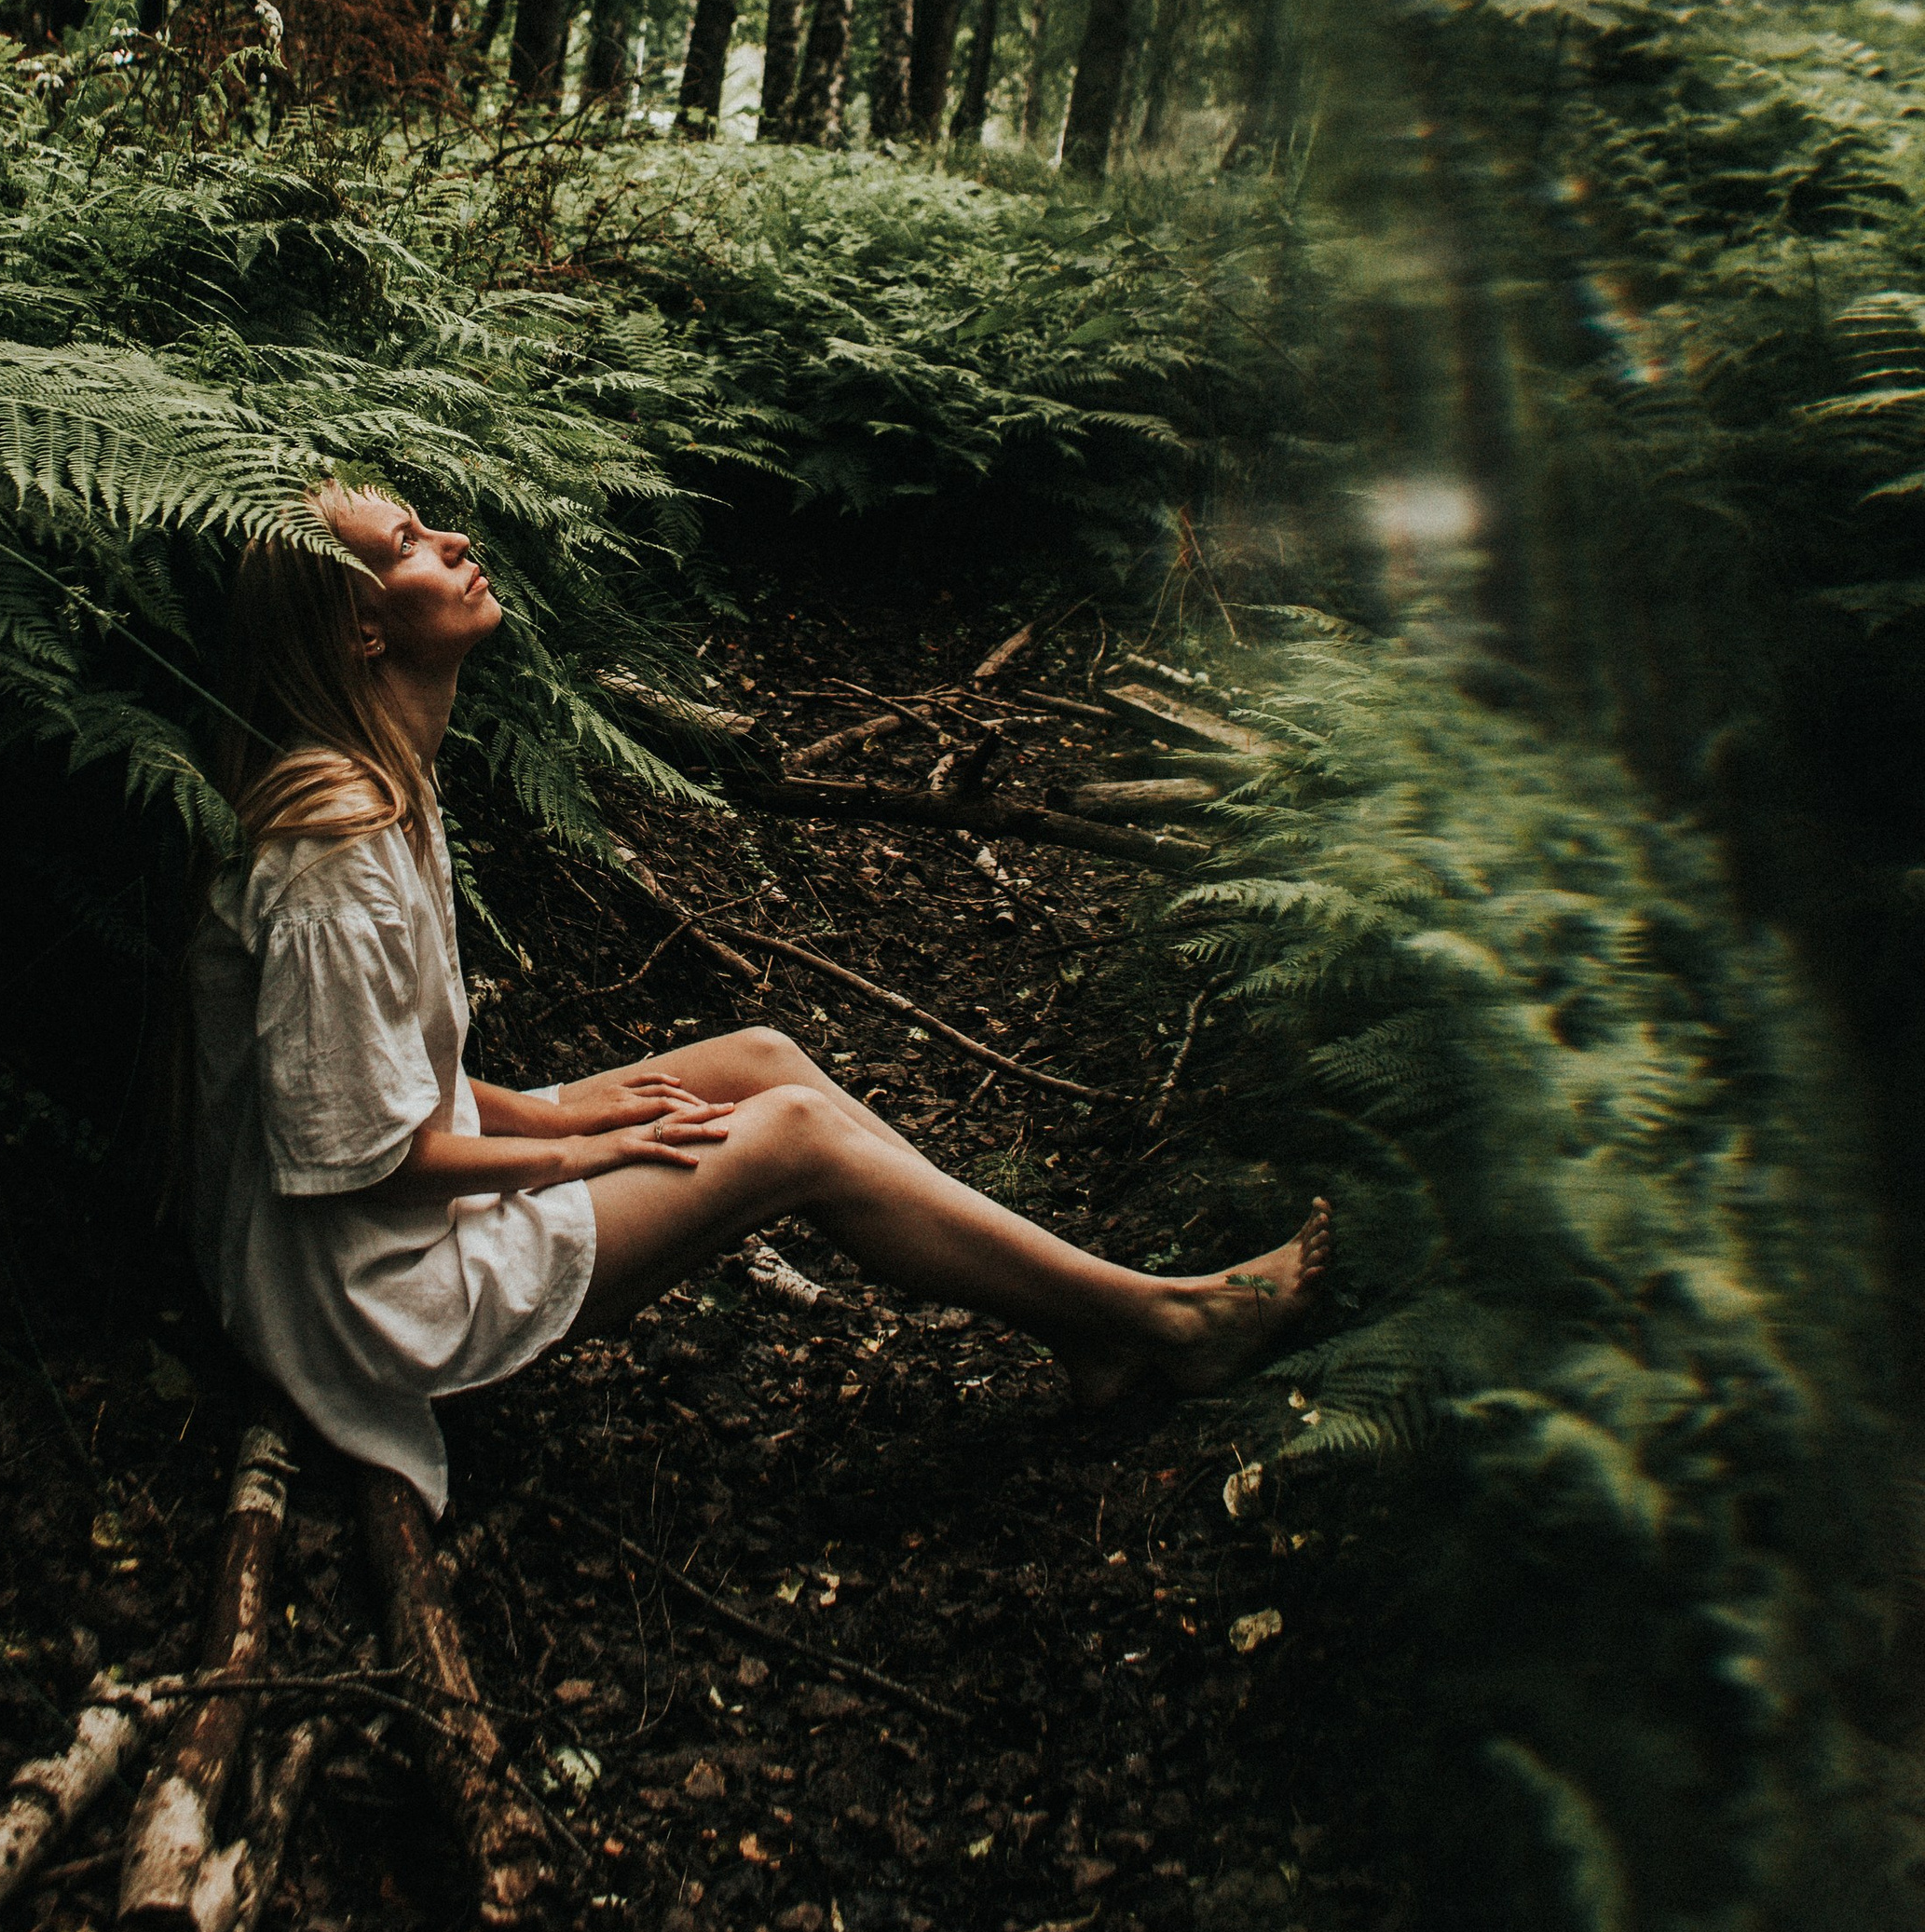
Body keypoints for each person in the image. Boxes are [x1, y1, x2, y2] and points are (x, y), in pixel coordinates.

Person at [184, 486, 1330, 1514]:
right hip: (366, 1299)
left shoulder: (390, 786)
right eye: (412, 545)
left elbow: (391, 1077)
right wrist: (580, 1149)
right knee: (789, 1137)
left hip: (397, 1217)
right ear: (363, 628)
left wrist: (564, 1110)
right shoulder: (335, 858)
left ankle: (1089, 1321)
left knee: (763, 1059)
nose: (455, 539)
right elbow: (360, 1155)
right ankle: (1163, 1324)